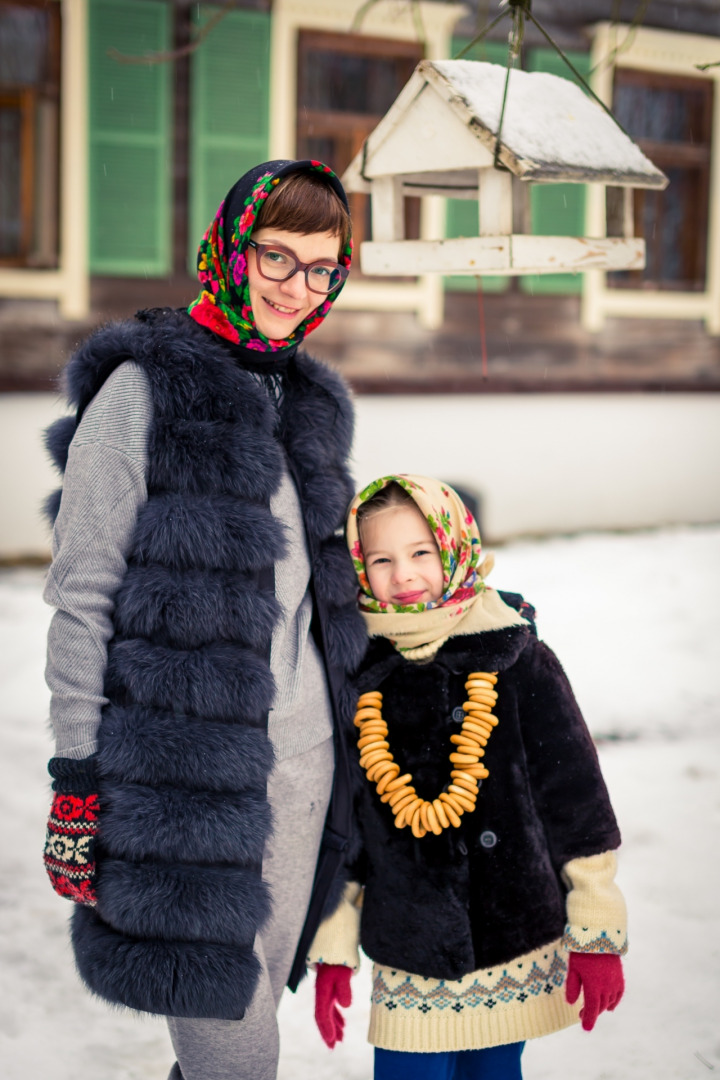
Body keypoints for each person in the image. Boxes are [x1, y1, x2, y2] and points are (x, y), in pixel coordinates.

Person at [41, 159, 368, 1080]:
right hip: (181, 785)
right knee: (234, 1046)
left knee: (261, 998)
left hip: (307, 766)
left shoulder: (309, 402)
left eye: (320, 268)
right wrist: (77, 775)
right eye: (275, 255)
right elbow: (82, 596)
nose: (296, 286)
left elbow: (327, 589)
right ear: (228, 249)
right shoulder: (142, 392)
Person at [309, 475, 627, 1080]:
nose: (403, 575)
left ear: (455, 549)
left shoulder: (515, 655)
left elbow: (577, 802)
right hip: (409, 948)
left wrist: (596, 926)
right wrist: (332, 944)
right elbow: (346, 825)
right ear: (359, 568)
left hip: (512, 937)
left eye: (421, 552)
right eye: (382, 559)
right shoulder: (357, 674)